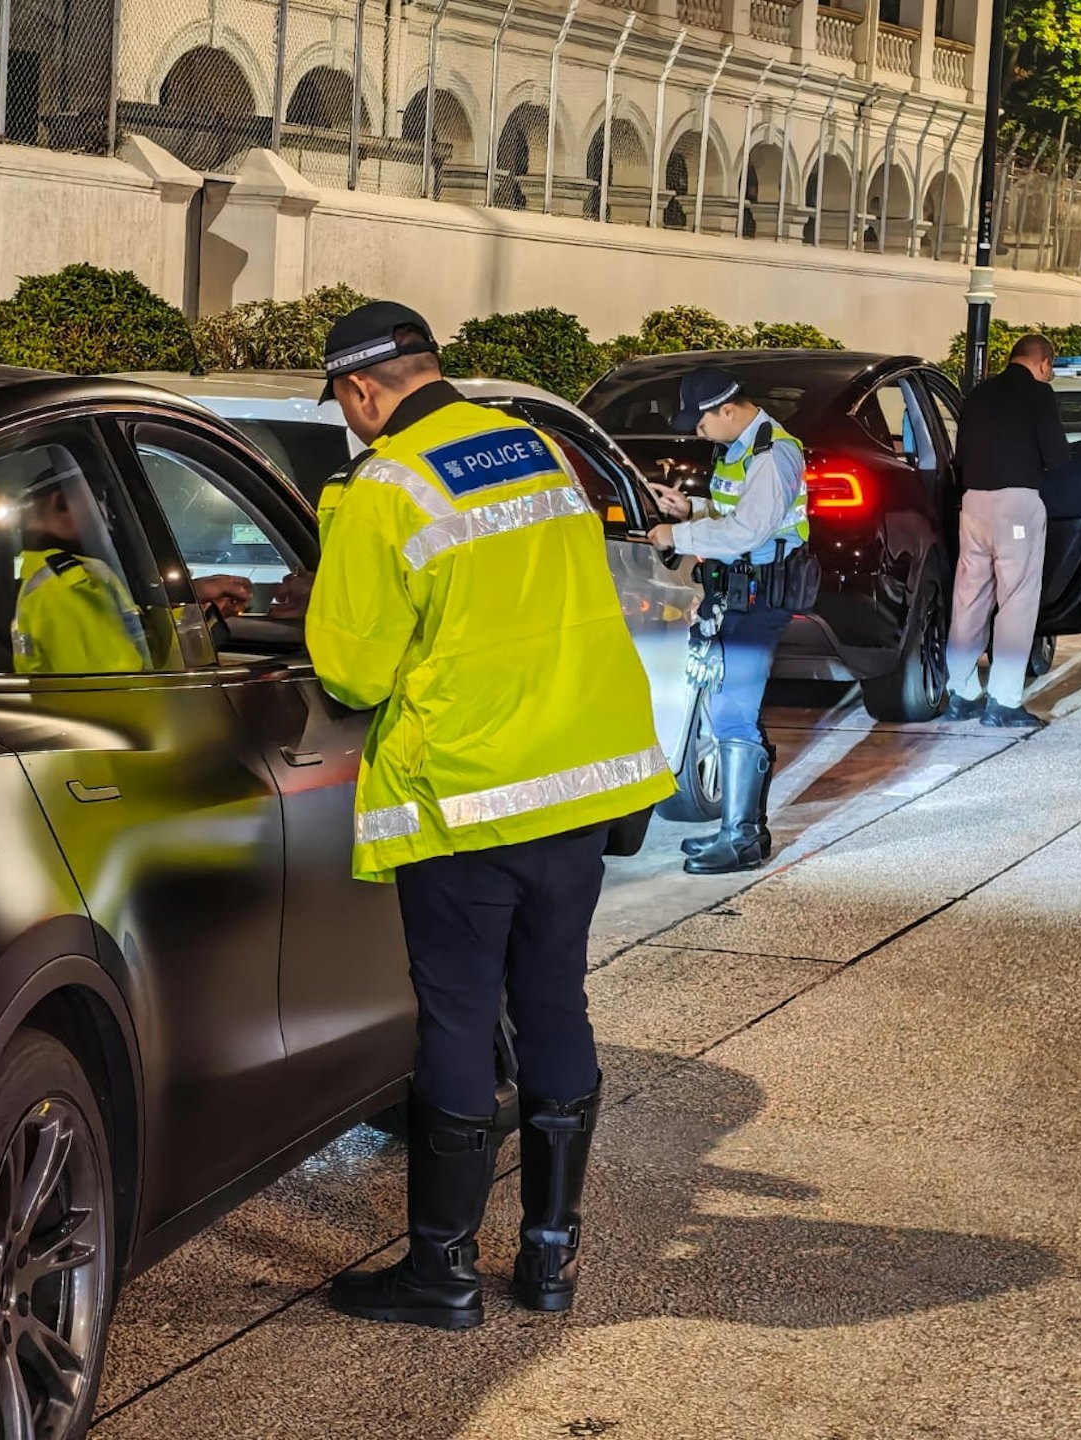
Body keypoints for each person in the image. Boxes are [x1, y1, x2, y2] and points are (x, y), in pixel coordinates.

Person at [306, 301, 673, 1330]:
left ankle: (443, 1273)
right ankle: (549, 1259)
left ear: (360, 390)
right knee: (556, 1003)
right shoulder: (535, 446)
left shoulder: (382, 487)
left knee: (461, 1022)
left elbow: (348, 670)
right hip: (575, 785)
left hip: (467, 793)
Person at [644, 366, 811, 875]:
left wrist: (679, 539)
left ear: (728, 410)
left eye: (701, 424)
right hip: (739, 591)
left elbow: (748, 530)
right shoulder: (739, 450)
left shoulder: (772, 454)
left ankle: (740, 839)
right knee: (731, 706)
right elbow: (730, 511)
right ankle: (743, 832)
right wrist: (689, 507)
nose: (697, 433)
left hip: (760, 594)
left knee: (732, 707)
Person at [11, 462, 252, 674]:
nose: (110, 516)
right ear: (63, 502)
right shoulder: (68, 587)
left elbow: (142, 653)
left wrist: (201, 612)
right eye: (101, 500)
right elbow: (127, 693)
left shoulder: (52, 582)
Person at [941, 333, 1069, 730]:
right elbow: (1058, 457)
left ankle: (961, 692)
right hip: (1016, 506)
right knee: (1016, 599)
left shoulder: (979, 394)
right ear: (1044, 363)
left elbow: (960, 456)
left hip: (974, 505)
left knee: (969, 597)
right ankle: (1004, 700)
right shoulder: (1040, 395)